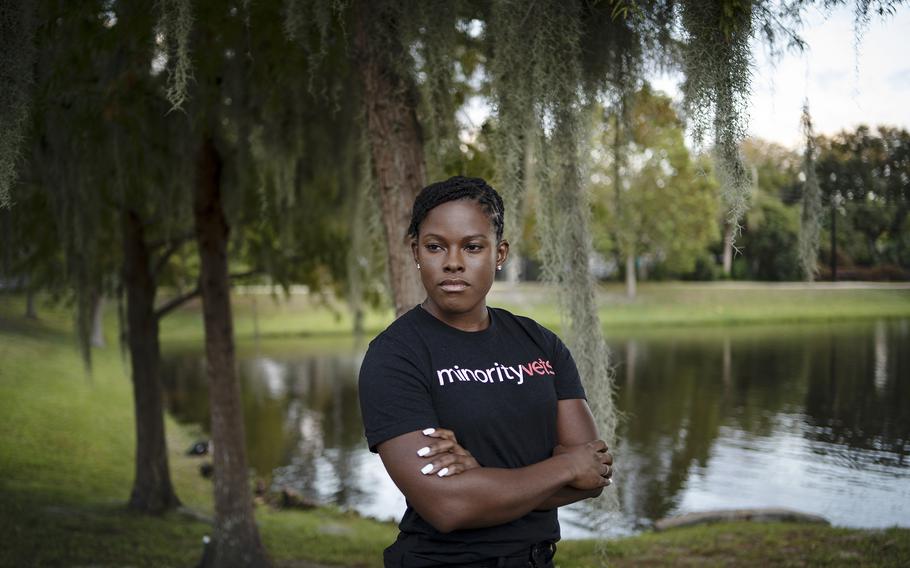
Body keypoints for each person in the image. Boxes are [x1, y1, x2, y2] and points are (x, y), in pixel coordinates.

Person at [358, 176, 613, 567]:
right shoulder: (395, 357)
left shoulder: (540, 344)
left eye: (473, 246)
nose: (453, 262)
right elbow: (449, 506)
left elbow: (593, 476)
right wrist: (563, 465)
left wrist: (484, 480)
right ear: (415, 252)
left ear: (500, 253)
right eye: (435, 246)